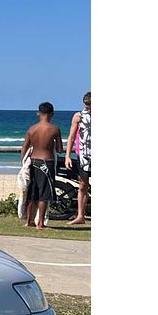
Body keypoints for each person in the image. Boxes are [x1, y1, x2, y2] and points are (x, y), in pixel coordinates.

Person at [20, 101, 62, 230]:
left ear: (38, 113)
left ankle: (29, 221)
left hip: (33, 162)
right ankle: (40, 223)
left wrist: (24, 163)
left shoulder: (32, 129)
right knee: (44, 194)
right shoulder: (54, 129)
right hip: (46, 162)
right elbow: (60, 149)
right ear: (52, 113)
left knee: (33, 193)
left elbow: (24, 149)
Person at [64, 91, 91, 225]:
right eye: (86, 105)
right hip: (83, 156)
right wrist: (68, 155)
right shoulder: (78, 116)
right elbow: (71, 136)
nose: (88, 107)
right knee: (83, 185)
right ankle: (80, 215)